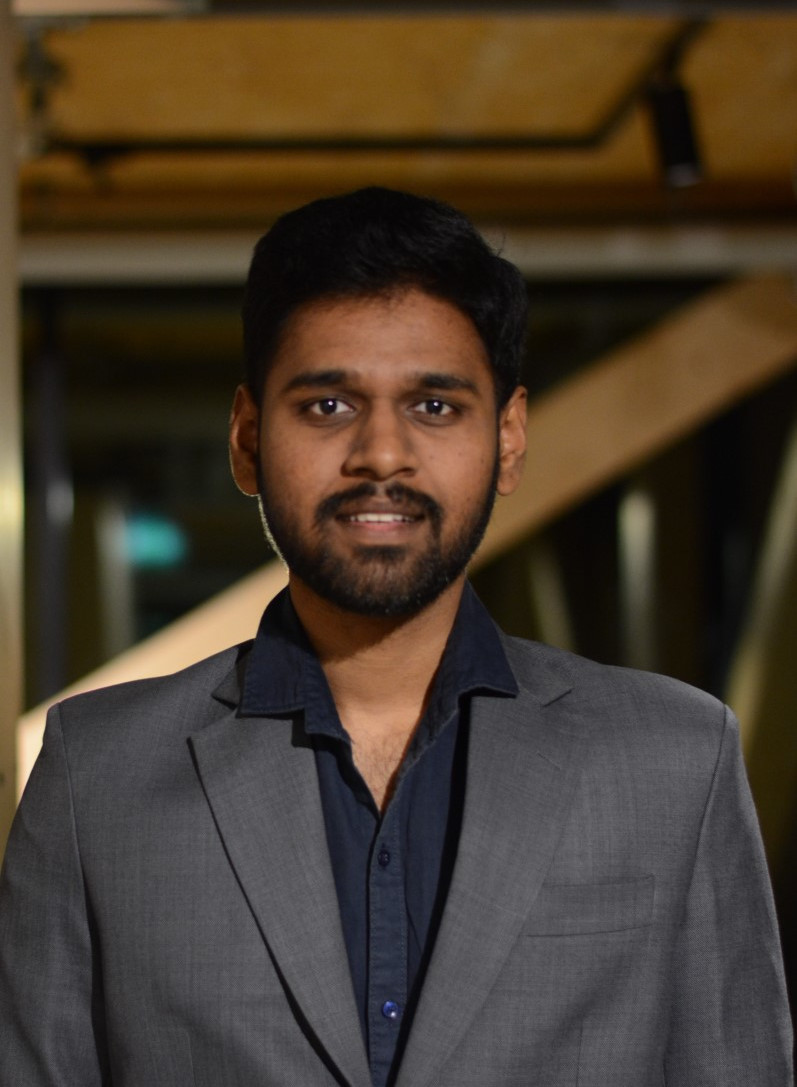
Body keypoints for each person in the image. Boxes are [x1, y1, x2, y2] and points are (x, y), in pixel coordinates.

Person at [0, 187, 792, 1087]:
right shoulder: (96, 777)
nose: (382, 453)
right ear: (248, 437)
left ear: (509, 438)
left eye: (435, 406)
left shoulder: (673, 761)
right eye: (327, 405)